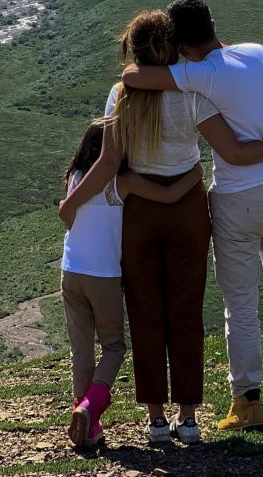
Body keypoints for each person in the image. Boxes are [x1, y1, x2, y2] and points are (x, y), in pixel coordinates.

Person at [60, 10, 263, 445]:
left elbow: (109, 161)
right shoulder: (191, 88)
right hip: (187, 206)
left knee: (146, 312)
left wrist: (72, 202)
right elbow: (230, 147)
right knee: (186, 311)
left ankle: (155, 419)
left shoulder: (121, 93)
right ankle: (188, 417)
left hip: (141, 212)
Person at [120, 0, 263, 431]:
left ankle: (248, 402)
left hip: (237, 198)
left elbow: (134, 75)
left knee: (242, 305)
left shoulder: (199, 75)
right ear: (214, 23)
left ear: (181, 43)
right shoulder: (262, 53)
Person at [59, 120, 203, 448]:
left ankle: (88, 428)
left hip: (70, 273)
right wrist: (195, 175)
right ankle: (89, 408)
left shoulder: (73, 179)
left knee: (80, 351)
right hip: (104, 276)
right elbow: (167, 195)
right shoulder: (121, 182)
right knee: (113, 347)